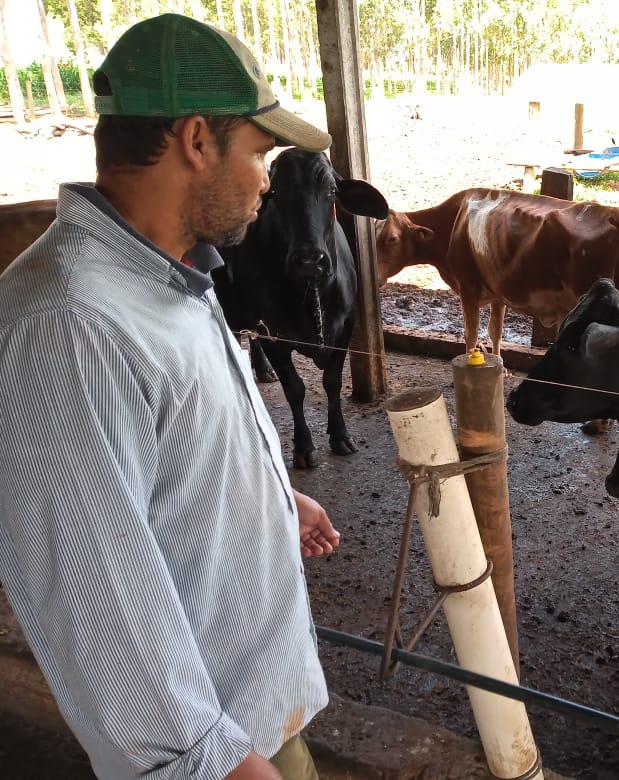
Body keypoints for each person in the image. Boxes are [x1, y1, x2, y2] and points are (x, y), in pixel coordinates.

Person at [0, 14, 342, 780]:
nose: (265, 178)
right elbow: (95, 607)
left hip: (251, 716)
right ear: (196, 140)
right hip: (219, 752)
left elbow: (157, 456)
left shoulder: (163, 275)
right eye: (259, 152)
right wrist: (226, 767)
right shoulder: (67, 325)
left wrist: (271, 499)